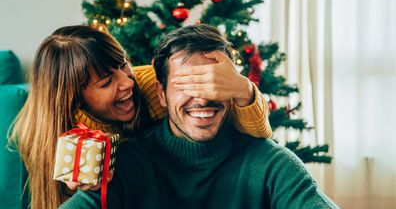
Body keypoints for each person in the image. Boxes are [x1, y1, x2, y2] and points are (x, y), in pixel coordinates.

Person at [60, 24, 339, 209]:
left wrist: (244, 88)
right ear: (161, 93)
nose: (203, 97)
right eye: (186, 84)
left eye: (212, 83)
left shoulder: (271, 164)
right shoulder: (124, 163)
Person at [9, 25, 272, 209]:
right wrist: (72, 189)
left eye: (123, 64)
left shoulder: (152, 84)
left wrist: (243, 88)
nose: (126, 82)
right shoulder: (58, 139)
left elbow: (258, 134)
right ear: (75, 99)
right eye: (105, 82)